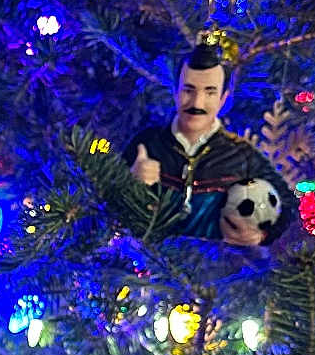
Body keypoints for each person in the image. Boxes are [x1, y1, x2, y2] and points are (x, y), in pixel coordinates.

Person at [123, 42, 296, 245]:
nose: (197, 103)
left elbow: (288, 204)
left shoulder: (241, 156)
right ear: (175, 92)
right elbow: (107, 200)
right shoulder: (147, 144)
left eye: (210, 92)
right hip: (147, 267)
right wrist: (131, 182)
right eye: (189, 90)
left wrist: (261, 235)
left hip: (215, 272)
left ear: (223, 99)